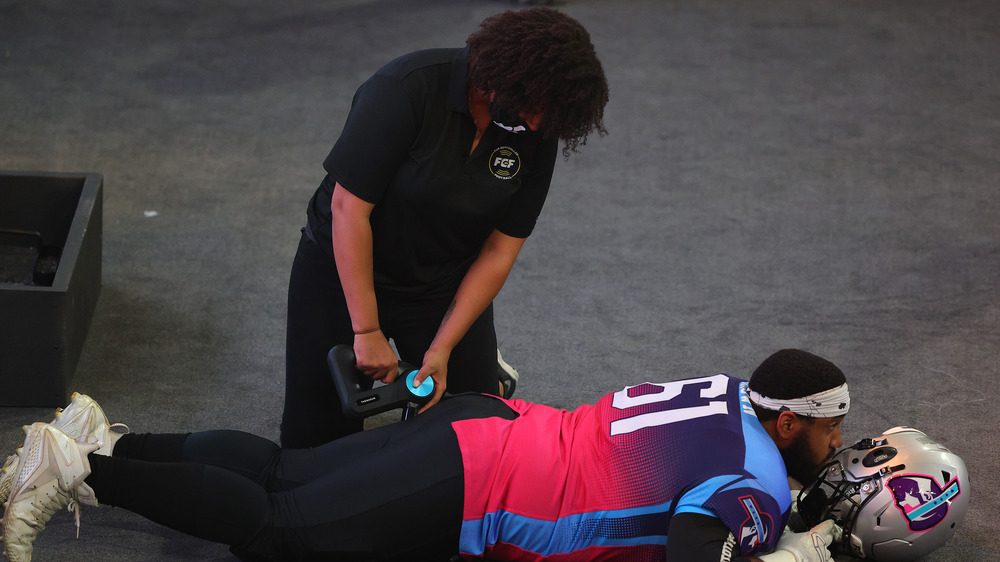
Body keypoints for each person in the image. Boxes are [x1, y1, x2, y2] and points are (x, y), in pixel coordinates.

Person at [1, 349, 848, 562]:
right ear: (786, 426)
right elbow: (692, 554)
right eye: (828, 429)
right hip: (485, 481)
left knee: (285, 471)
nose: (835, 444)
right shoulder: (758, 482)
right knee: (282, 528)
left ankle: (106, 438)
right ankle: (79, 473)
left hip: (491, 424)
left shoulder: (737, 390)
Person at [282, 7, 611, 447]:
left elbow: (500, 249)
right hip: (342, 270)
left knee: (480, 437)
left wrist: (441, 349)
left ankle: (482, 368)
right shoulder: (405, 87)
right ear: (508, 76)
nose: (535, 125)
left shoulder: (536, 128)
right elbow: (348, 210)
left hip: (440, 279)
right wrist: (366, 331)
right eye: (533, 109)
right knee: (314, 444)